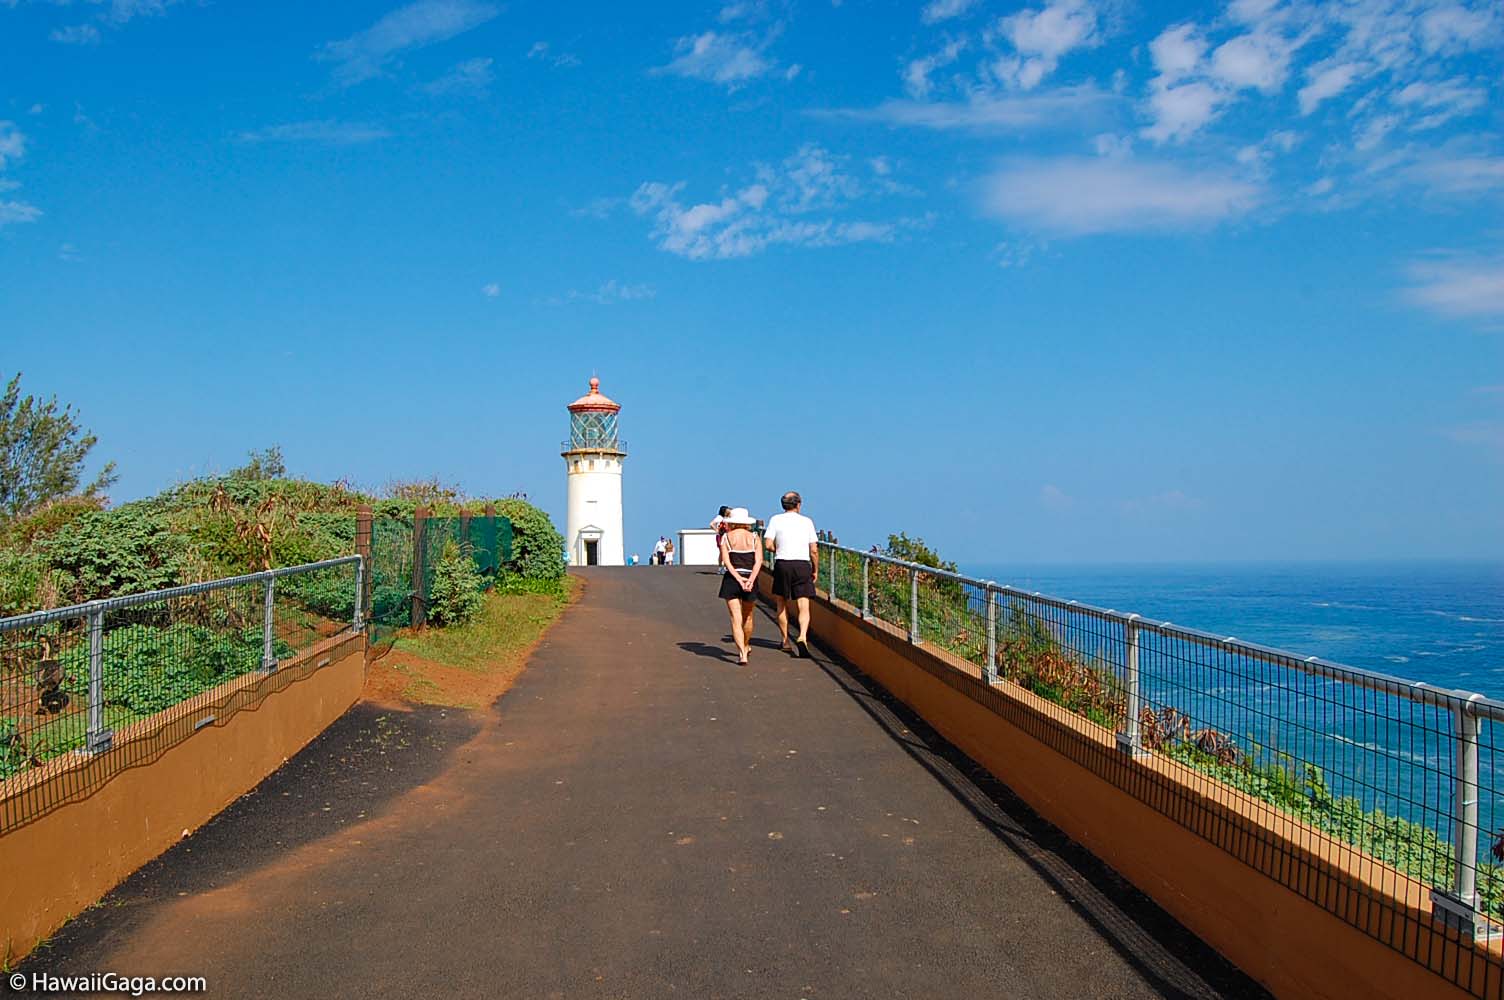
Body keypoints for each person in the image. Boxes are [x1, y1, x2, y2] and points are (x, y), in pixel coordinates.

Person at [764, 491, 818, 657]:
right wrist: (815, 569)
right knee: (803, 605)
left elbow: (767, 544)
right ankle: (802, 636)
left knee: (781, 602)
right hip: (802, 564)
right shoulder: (806, 522)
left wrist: (778, 549)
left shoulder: (775, 519)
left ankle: (785, 640)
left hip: (782, 563)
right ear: (799, 504)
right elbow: (814, 550)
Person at [716, 508, 763, 665]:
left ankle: (742, 654)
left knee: (735, 618)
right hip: (751, 578)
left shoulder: (726, 538)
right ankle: (746, 644)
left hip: (732, 580)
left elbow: (726, 562)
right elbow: (758, 562)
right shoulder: (755, 537)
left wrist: (738, 578)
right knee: (748, 616)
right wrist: (750, 579)